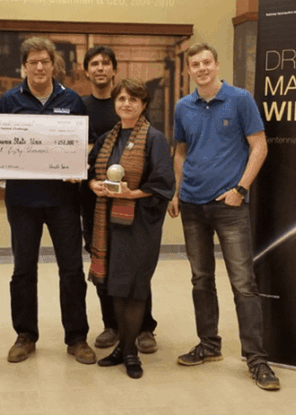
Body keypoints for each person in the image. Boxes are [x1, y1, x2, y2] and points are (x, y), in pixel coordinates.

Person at [167, 42, 280, 391]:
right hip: (192, 205)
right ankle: (209, 345)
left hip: (230, 206)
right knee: (201, 279)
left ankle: (257, 360)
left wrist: (241, 189)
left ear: (216, 65)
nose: (201, 69)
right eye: (195, 65)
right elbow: (181, 151)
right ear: (189, 71)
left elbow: (259, 145)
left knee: (243, 284)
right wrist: (176, 191)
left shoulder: (240, 100)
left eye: (206, 62)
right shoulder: (183, 107)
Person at [0, 36, 96, 365]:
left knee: (72, 270)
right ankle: (25, 336)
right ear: (24, 66)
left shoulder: (73, 101)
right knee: (23, 271)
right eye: (33, 61)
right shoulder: (8, 101)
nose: (39, 67)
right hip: (22, 201)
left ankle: (77, 337)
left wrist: (80, 165)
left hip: (64, 201)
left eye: (45, 61)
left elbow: (87, 146)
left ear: (54, 65)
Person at [87, 78, 175, 379]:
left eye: (133, 99)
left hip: (139, 223)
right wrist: (94, 184)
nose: (126, 104)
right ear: (115, 103)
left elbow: (163, 184)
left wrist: (130, 194)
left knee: (135, 289)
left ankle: (130, 353)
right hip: (107, 223)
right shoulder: (106, 138)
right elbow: (90, 170)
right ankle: (122, 348)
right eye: (121, 99)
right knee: (116, 286)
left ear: (144, 104)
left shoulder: (154, 138)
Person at [80, 46, 159, 354]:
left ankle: (145, 327)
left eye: (106, 63)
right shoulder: (80, 106)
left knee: (135, 263)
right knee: (102, 260)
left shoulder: (131, 104)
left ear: (114, 70)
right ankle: (111, 324)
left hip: (131, 203)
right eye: (94, 64)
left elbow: (147, 147)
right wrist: (91, 180)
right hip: (96, 200)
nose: (100, 68)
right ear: (87, 71)